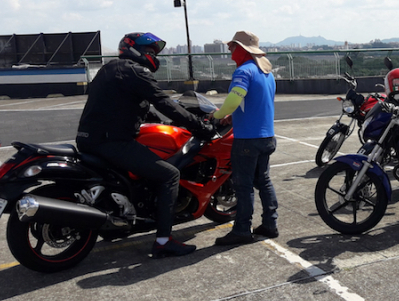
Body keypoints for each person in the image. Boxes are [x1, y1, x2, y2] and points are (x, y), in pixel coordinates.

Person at [76, 32, 214, 258]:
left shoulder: (109, 69)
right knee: (169, 175)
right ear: (134, 50)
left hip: (89, 139)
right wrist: (200, 126)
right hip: (113, 142)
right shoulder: (136, 71)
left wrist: (162, 122)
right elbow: (164, 102)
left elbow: (133, 105)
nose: (152, 56)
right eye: (149, 51)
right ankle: (163, 241)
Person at [213, 31, 280, 245]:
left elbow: (234, 99)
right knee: (264, 181)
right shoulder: (265, 71)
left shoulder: (243, 71)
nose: (230, 50)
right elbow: (256, 103)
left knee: (243, 186)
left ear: (242, 49)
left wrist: (217, 115)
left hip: (247, 140)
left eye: (232, 46)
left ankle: (242, 229)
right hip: (267, 136)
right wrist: (234, 117)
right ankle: (270, 224)